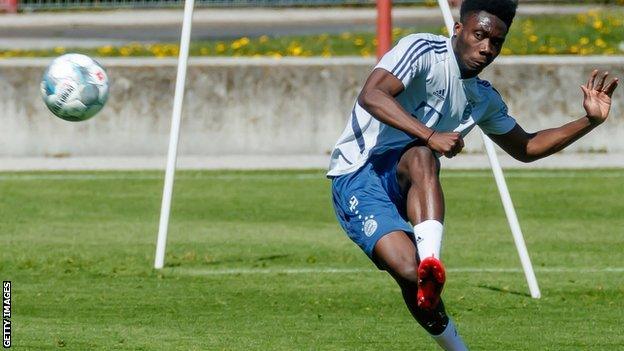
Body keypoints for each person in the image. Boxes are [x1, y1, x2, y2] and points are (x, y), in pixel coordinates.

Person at [327, 0, 618, 350]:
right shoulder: (422, 50)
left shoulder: (482, 97)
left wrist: (589, 121)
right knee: (407, 271)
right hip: (360, 172)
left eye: (496, 41)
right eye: (479, 35)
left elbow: (527, 147)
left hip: (408, 175)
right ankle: (427, 273)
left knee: (421, 160)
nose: (486, 48)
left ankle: (431, 268)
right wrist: (431, 134)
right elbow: (372, 94)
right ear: (458, 29)